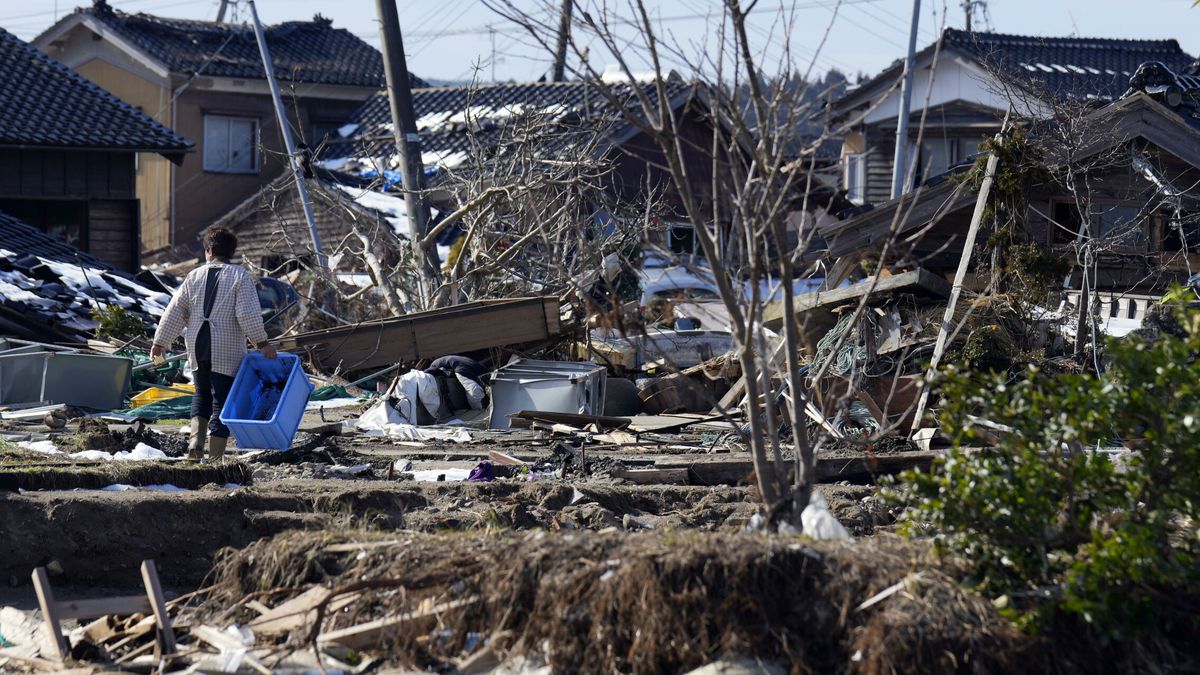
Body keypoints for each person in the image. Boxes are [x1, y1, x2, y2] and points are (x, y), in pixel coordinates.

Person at [151, 228, 276, 461]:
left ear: (208, 251)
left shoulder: (194, 276)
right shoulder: (240, 276)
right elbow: (247, 314)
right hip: (226, 347)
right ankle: (215, 458)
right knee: (223, 399)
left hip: (197, 345)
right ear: (231, 252)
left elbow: (175, 311)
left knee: (201, 395)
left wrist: (160, 342)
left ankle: (195, 446)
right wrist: (262, 342)